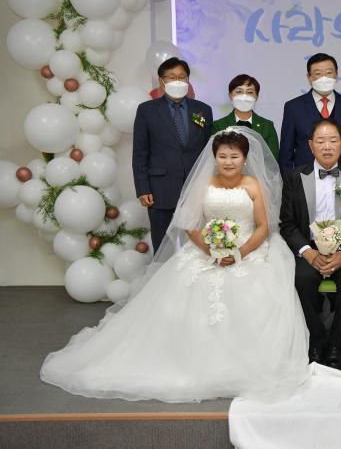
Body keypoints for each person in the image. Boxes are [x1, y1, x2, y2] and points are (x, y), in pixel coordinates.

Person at [41, 128, 310, 402]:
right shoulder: (203, 184)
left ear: (244, 158)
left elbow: (263, 227)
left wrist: (239, 252)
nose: (228, 162)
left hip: (248, 248)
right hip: (208, 248)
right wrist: (211, 250)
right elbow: (191, 225)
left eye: (234, 156)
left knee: (257, 291)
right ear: (214, 157)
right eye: (222, 156)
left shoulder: (254, 185)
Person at [280, 119, 341, 370]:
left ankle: (337, 345)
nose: (327, 146)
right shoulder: (294, 177)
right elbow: (287, 224)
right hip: (309, 249)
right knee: (302, 279)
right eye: (321, 141)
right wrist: (308, 253)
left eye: (333, 140)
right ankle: (316, 341)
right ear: (310, 145)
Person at [133, 57, 213, 252]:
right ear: (161, 81)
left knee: (198, 246)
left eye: (182, 77)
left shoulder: (202, 110)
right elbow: (140, 152)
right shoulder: (147, 110)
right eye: (172, 77)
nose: (178, 81)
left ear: (188, 80)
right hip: (160, 189)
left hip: (195, 188)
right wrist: (143, 188)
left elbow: (209, 149)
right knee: (163, 247)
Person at [279, 53, 341, 174]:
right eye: (318, 74)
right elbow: (286, 152)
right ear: (309, 77)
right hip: (305, 178)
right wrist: (290, 181)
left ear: (336, 74)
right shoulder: (293, 107)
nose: (324, 78)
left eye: (329, 73)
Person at [212, 74, 280, 160]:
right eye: (239, 92)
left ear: (257, 96)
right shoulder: (218, 125)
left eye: (250, 92)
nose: (244, 96)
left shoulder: (267, 125)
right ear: (230, 96)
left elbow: (272, 159)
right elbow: (214, 157)